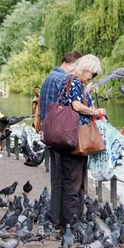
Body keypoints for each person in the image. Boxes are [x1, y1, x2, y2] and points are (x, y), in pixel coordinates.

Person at [55, 54, 104, 234]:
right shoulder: (74, 81)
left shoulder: (73, 83)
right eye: (92, 73)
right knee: (72, 185)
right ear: (86, 69)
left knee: (74, 183)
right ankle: (69, 225)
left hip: (72, 140)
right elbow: (76, 106)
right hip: (74, 140)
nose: (92, 77)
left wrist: (87, 93)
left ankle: (71, 223)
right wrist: (95, 112)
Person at [40, 51, 82, 230]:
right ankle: (66, 222)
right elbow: (70, 107)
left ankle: (56, 219)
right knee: (67, 180)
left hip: (49, 132)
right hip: (62, 133)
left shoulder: (49, 78)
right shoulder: (65, 80)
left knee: (56, 179)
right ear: (73, 64)